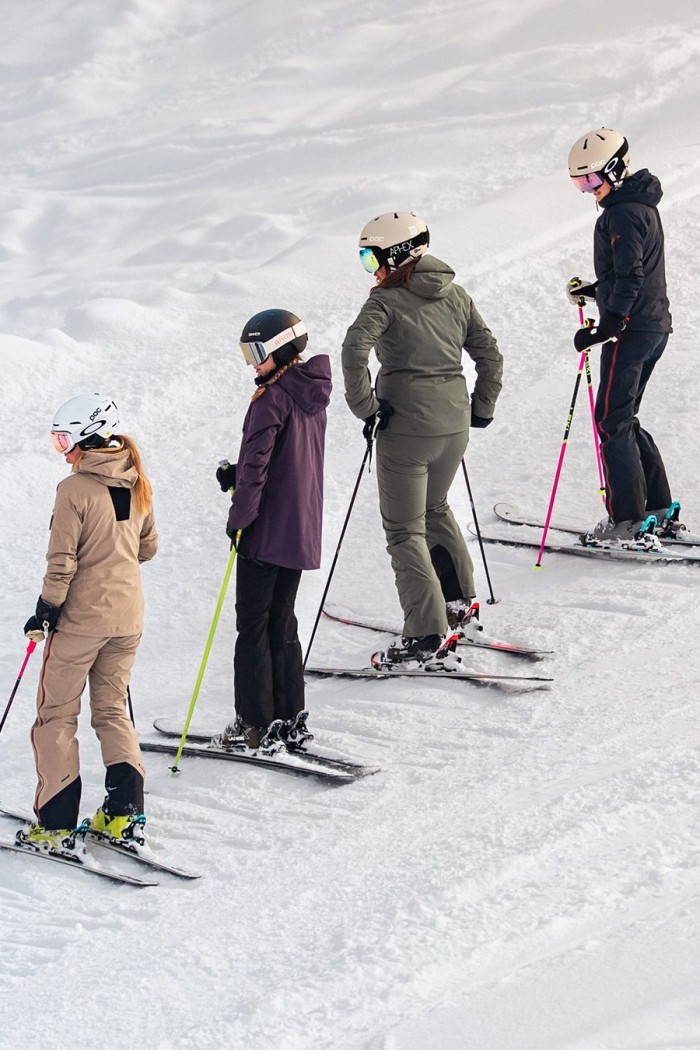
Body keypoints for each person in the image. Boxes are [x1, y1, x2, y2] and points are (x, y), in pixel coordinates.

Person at [341, 211, 503, 668]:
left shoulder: (384, 302)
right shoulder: (456, 294)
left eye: (372, 258)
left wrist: (367, 407)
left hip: (406, 431)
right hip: (453, 427)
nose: (371, 270)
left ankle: (425, 635)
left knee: (404, 530)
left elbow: (353, 351)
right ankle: (458, 604)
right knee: (435, 509)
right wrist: (481, 407)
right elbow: (489, 354)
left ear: (396, 255)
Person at [17, 394, 158, 860]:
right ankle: (123, 815)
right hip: (127, 617)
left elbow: (62, 561)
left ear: (85, 436)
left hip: (82, 620)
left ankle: (56, 824)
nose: (62, 451)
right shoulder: (136, 479)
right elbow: (147, 548)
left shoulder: (73, 489)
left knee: (56, 714)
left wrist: (46, 608)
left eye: (64, 440)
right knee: (112, 710)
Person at [214, 309, 332, 752]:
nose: (252, 362)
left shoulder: (271, 399)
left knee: (253, 626)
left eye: (257, 351)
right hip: (299, 527)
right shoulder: (309, 392)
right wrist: (238, 474)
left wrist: (239, 519)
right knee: (282, 622)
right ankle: (289, 718)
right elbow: (282, 460)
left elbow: (258, 469)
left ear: (281, 347)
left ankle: (255, 723)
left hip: (265, 531)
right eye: (247, 353)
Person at [567, 127, 677, 548]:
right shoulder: (639, 206)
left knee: (611, 421)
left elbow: (631, 275)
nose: (587, 189)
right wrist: (595, 292)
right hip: (652, 326)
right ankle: (657, 509)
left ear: (614, 169)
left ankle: (627, 520)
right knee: (623, 417)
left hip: (632, 330)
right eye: (579, 182)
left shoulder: (621, 213)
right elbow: (629, 273)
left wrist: (608, 324)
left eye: (591, 179)